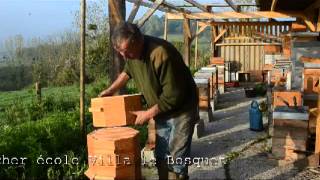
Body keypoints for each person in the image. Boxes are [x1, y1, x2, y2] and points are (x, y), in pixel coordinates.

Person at [99, 22, 199, 180]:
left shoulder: (161, 53)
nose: (124, 57)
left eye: (126, 52)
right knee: (161, 155)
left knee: (176, 158)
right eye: (120, 53)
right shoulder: (132, 53)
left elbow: (173, 96)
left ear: (138, 41)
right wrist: (111, 90)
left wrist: (147, 114)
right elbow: (127, 71)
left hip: (182, 109)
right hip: (162, 109)